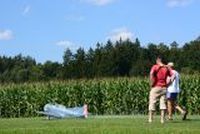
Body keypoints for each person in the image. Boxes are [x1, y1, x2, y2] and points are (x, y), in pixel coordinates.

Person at [148, 55, 174, 123]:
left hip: (156, 87)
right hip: (164, 88)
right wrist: (168, 84)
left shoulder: (155, 66)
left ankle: (150, 119)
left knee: (152, 102)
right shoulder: (167, 68)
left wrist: (151, 84)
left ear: (158, 60)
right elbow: (173, 76)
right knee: (163, 103)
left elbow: (151, 74)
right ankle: (162, 120)